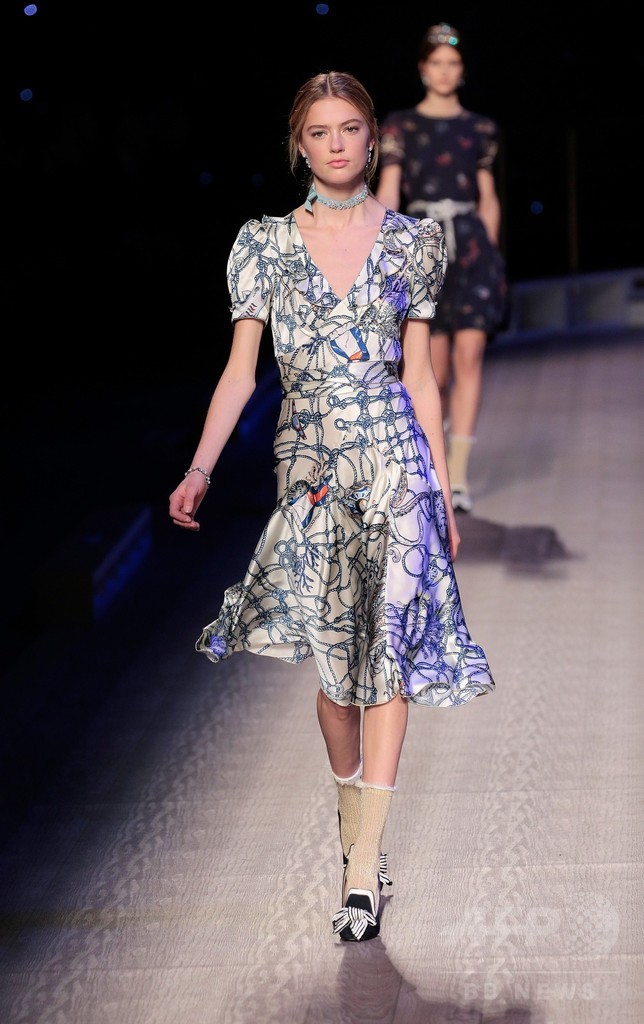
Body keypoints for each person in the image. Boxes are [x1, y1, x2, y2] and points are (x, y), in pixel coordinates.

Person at [169, 70, 495, 943]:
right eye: (321, 132)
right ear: (299, 146)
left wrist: (439, 488)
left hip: (393, 463)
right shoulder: (265, 245)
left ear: (372, 139)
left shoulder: (412, 242)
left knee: (386, 658)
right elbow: (241, 373)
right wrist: (200, 468)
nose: (338, 144)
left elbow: (419, 377)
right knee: (334, 681)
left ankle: (362, 868)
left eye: (351, 128)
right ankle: (356, 828)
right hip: (310, 467)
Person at [376, 22, 507, 514]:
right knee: (437, 370)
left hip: (472, 248)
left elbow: (488, 196)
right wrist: (381, 247)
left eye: (453, 63)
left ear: (462, 70)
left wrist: (491, 253)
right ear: (423, 69)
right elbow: (390, 191)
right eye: (436, 63)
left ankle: (460, 477)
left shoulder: (481, 129)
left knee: (471, 355)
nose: (445, 71)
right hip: (423, 247)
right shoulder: (400, 126)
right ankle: (436, 459)